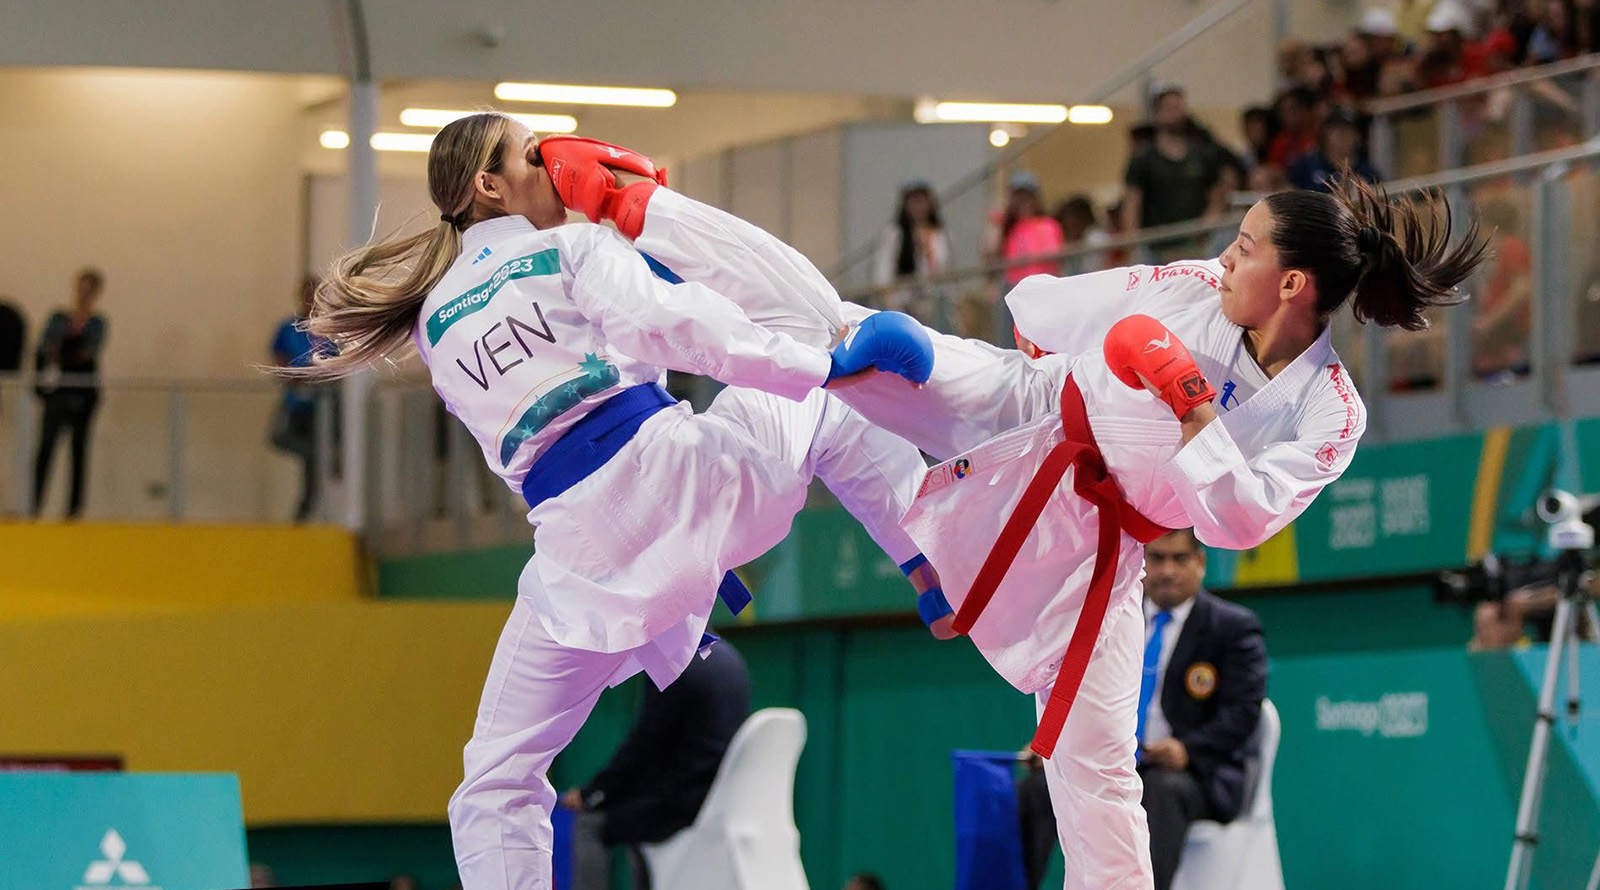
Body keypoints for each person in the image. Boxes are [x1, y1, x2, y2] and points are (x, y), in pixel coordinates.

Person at [277, 114, 939, 890]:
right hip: (683, 484)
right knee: (829, 380)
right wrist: (820, 365)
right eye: (534, 153)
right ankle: (932, 560)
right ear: (490, 184)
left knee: (494, 783)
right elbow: (688, 329)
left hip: (575, 551)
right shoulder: (572, 247)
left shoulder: (431, 323)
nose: (557, 162)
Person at [823, 176, 1488, 890]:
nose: (1226, 258)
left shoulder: (1331, 414)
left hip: (1105, 550)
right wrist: (1073, 355)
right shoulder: (1199, 284)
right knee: (845, 346)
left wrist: (1190, 405)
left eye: (1243, 246)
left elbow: (1238, 521)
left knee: (1101, 772)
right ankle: (694, 276)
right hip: (1038, 412)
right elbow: (1043, 313)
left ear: (1292, 281)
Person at [1137, 529, 1266, 890]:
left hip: (1196, 776)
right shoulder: (1118, 622)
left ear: (1201, 562)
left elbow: (1243, 713)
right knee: (1040, 786)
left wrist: (1186, 750)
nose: (1166, 571)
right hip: (1122, 766)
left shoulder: (1232, 628)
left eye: (1179, 559)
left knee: (1160, 790)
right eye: (1156, 558)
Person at [563, 640, 750, 889]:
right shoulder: (730, 657)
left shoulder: (675, 664)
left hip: (680, 805)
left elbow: (642, 747)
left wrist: (591, 794)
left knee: (589, 824)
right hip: (717, 799)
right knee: (628, 810)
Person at [33, 267, 108, 519]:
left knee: (78, 450)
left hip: (83, 395)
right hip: (58, 392)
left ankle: (73, 511)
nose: (84, 293)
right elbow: (45, 348)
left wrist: (63, 349)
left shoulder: (97, 322)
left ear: (97, 292)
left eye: (90, 288)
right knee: (45, 448)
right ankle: (34, 506)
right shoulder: (58, 318)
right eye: (81, 286)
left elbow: (87, 352)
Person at [1121, 85, 1226, 263]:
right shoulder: (1143, 158)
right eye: (1170, 108)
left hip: (1193, 244)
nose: (1177, 114)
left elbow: (1217, 195)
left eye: (1180, 107)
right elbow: (1132, 203)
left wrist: (1207, 224)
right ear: (1157, 114)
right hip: (1154, 245)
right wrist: (1134, 245)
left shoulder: (1202, 154)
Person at [269, 276, 333, 522]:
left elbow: (337, 365)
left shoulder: (328, 328)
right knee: (288, 441)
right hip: (297, 406)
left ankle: (306, 516)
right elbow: (279, 361)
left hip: (322, 407)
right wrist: (296, 378)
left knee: (315, 469)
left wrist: (318, 377)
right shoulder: (287, 328)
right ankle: (303, 516)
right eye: (306, 294)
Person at [984, 173, 1065, 341]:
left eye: (1027, 196)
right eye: (1018, 197)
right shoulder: (1009, 229)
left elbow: (1054, 258)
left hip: (1041, 290)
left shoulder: (1048, 224)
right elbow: (990, 254)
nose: (1023, 201)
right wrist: (997, 224)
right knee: (1011, 341)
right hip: (1014, 290)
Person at [873, 180, 952, 327]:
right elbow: (884, 269)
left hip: (929, 301)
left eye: (922, 202)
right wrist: (890, 299)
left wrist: (927, 247)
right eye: (914, 202)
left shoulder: (937, 235)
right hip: (901, 301)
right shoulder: (895, 233)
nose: (919, 207)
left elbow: (940, 268)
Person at [1286, 109, 1382, 192]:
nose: (1344, 135)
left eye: (1349, 129)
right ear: (1325, 134)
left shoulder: (1367, 171)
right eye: (1337, 130)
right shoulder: (1306, 166)